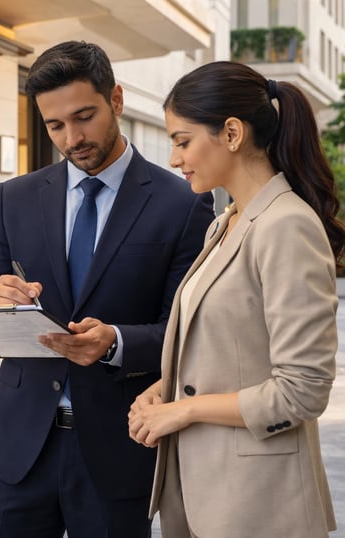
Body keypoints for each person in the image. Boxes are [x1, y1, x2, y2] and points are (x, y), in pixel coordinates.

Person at [0, 40, 215, 538]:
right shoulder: (15, 198)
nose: (72, 138)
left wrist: (116, 342)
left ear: (115, 99)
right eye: (55, 125)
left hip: (119, 451)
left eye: (84, 117)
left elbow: (188, 332)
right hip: (19, 449)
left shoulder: (182, 203)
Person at [127, 61, 345, 537]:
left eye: (182, 141)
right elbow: (229, 352)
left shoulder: (286, 225)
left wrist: (183, 409)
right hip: (205, 493)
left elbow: (302, 390)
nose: (174, 158)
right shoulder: (224, 223)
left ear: (231, 133)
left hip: (259, 504)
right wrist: (165, 389)